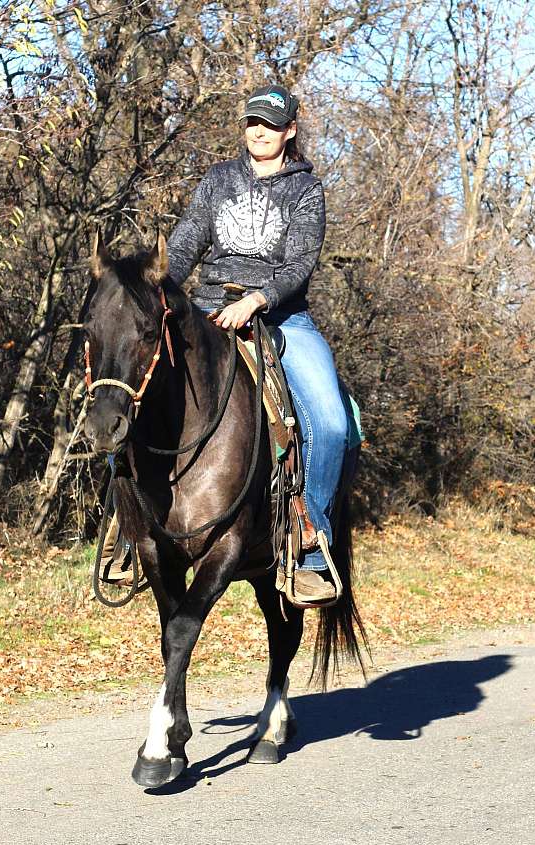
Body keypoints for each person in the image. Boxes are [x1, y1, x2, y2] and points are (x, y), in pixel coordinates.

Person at [165, 82, 359, 602]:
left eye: (271, 125)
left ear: (289, 131)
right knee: (137, 377)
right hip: (207, 307)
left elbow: (300, 263)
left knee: (333, 421)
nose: (260, 132)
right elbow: (185, 241)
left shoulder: (305, 190)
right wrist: (164, 287)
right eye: (253, 122)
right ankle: (127, 529)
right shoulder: (218, 180)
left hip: (283, 317)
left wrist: (257, 300)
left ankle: (309, 542)